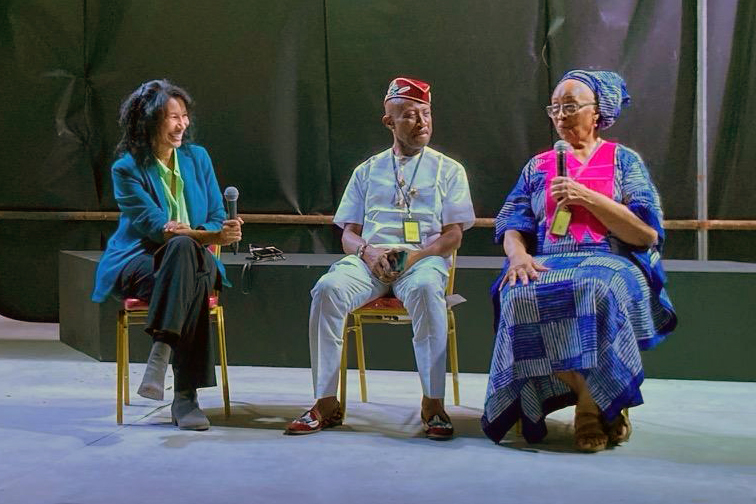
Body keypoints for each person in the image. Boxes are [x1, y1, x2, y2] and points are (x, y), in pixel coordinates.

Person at [481, 70, 677, 452]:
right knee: (518, 294)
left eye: (570, 107)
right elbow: (513, 222)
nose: (560, 116)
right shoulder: (538, 165)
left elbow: (646, 234)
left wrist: (588, 197)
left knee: (595, 288)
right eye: (554, 108)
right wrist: (519, 255)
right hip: (548, 259)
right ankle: (597, 399)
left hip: (609, 259)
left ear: (597, 112)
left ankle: (587, 412)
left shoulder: (624, 161)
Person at [285, 77, 475, 440]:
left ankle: (432, 403)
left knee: (424, 293)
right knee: (327, 290)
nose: (421, 123)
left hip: (422, 259)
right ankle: (326, 401)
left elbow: (453, 234)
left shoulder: (448, 170)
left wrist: (417, 255)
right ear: (389, 122)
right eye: (410, 116)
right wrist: (368, 252)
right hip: (370, 260)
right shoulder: (368, 170)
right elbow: (347, 233)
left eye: (426, 114)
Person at [91, 79, 243, 430]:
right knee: (181, 250)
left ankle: (161, 350)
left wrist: (215, 231)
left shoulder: (197, 158)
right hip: (142, 262)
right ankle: (186, 398)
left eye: (184, 116)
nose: (181, 125)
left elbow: (217, 214)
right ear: (147, 123)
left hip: (194, 260)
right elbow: (156, 227)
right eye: (171, 117)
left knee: (186, 253)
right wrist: (211, 235)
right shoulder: (126, 169)